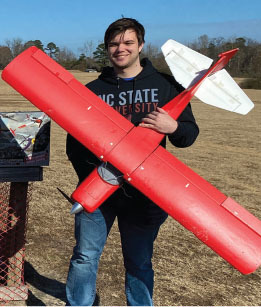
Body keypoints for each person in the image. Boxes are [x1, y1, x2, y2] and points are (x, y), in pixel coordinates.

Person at [64, 17, 199, 306]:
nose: (120, 49)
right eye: (114, 44)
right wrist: (99, 177)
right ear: (107, 49)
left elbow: (188, 135)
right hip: (99, 191)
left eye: (127, 42)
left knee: (139, 262)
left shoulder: (165, 85)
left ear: (140, 45)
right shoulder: (92, 90)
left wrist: (172, 127)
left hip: (145, 196)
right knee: (85, 257)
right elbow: (73, 147)